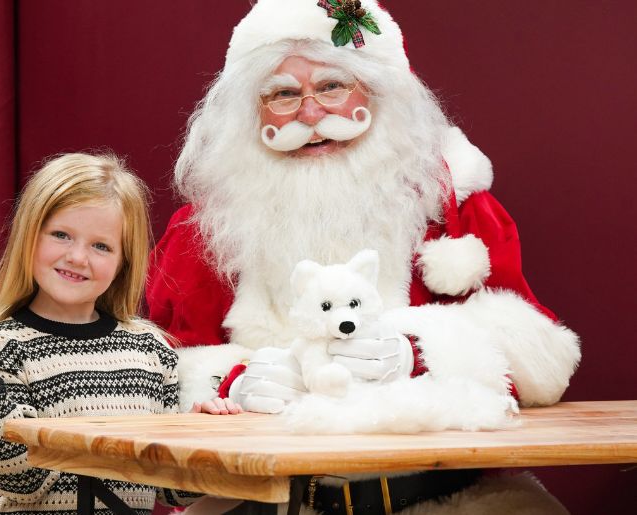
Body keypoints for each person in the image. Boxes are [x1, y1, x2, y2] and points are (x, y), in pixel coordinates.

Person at [147, 0, 580, 513]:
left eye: (332, 86)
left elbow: (544, 366)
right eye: (283, 94)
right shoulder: (205, 231)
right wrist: (230, 385)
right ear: (251, 111)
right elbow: (158, 376)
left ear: (378, 92)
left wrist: (421, 354)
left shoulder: (452, 205)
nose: (311, 115)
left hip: (448, 499)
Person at [0, 152, 240, 514]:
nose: (78, 257)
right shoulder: (2, 347)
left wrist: (203, 435)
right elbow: (22, 482)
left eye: (101, 246)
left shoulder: (150, 351)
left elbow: (170, 489)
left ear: (123, 261)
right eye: (61, 235)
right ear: (29, 237)